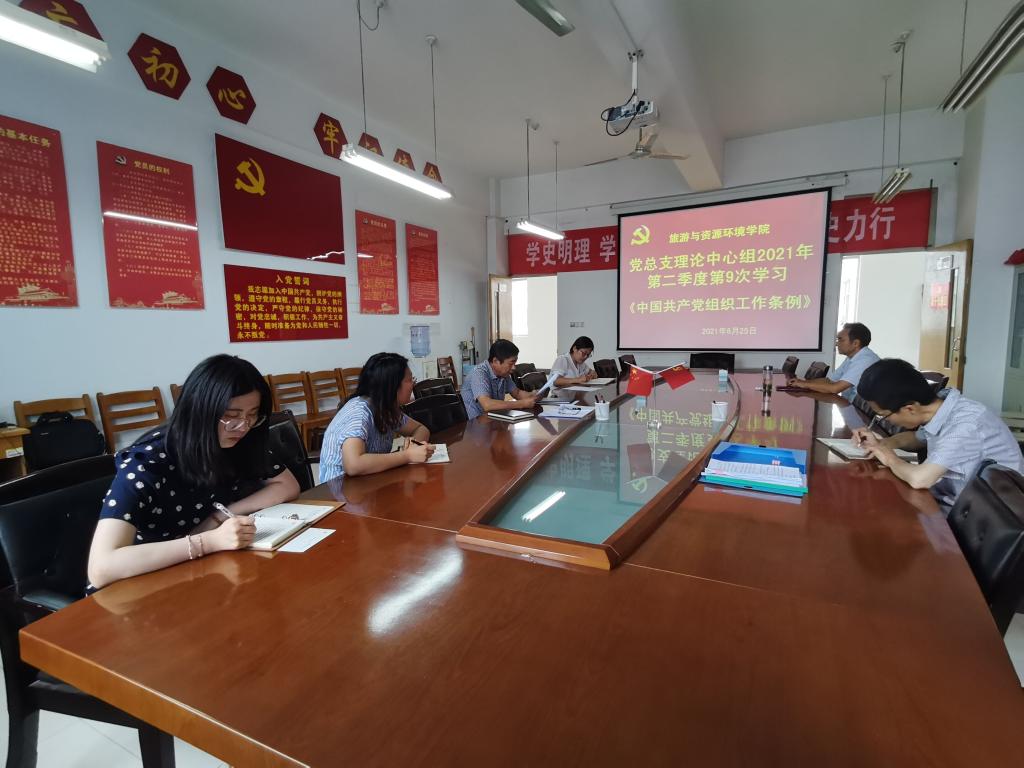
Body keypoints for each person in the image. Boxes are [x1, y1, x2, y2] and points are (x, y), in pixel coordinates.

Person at [87, 355, 301, 589]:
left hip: (206, 572)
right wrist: (209, 541)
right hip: (145, 584)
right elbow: (101, 568)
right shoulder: (146, 463)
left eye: (252, 415)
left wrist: (219, 517)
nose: (243, 427)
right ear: (198, 410)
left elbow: (287, 486)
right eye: (231, 415)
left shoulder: (239, 442)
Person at [852, 358, 1023, 507]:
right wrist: (883, 444)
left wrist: (889, 458)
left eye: (883, 415)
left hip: (988, 516)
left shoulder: (966, 424)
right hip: (955, 500)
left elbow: (920, 479)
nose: (886, 420)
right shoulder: (940, 405)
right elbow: (918, 438)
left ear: (909, 408)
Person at [319, 352, 432, 482]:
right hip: (340, 488)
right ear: (391, 385)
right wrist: (407, 456)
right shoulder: (359, 412)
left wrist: (413, 444)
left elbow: (421, 429)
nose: (413, 384)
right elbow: (353, 465)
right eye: (409, 380)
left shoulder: (385, 408)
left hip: (371, 481)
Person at [786, 322, 880, 401]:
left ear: (855, 343)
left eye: (840, 339)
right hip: (848, 405)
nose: (836, 344)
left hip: (860, 413)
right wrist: (801, 382)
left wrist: (804, 384)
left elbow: (835, 388)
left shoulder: (865, 360)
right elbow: (830, 380)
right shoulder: (852, 357)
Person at [461, 339, 540, 419]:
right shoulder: (479, 373)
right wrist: (521, 404)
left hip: (493, 419)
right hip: (475, 423)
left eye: (515, 363)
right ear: (495, 361)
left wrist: (532, 395)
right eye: (511, 363)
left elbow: (517, 393)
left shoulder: (503, 374)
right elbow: (487, 404)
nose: (514, 367)